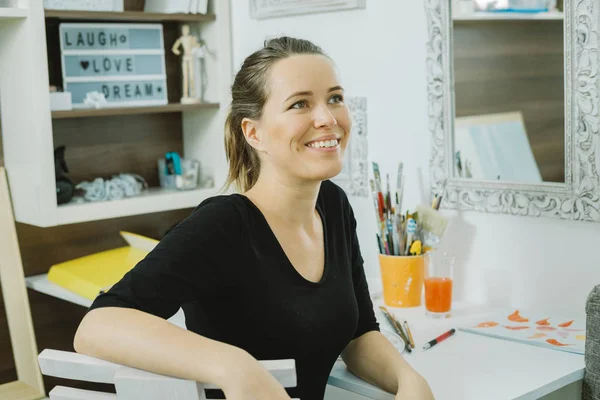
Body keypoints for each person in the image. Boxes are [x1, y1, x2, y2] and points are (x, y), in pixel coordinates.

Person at [74, 36, 434, 400]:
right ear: (253, 132)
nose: (327, 118)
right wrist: (234, 366)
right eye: (300, 104)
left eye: (335, 98)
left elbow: (359, 335)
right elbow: (97, 326)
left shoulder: (334, 206)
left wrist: (408, 381)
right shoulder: (223, 225)